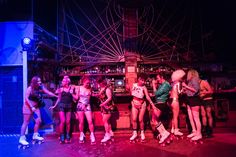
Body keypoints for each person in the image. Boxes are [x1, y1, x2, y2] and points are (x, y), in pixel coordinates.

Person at [19, 76, 57, 147]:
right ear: (34, 82)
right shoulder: (30, 88)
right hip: (28, 107)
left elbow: (48, 92)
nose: (40, 82)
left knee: (38, 121)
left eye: (40, 81)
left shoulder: (41, 87)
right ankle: (22, 138)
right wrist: (31, 106)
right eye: (38, 81)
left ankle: (35, 135)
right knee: (26, 122)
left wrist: (56, 96)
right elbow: (26, 98)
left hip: (36, 107)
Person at [50, 76, 77, 144]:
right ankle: (62, 135)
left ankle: (67, 135)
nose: (62, 82)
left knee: (68, 122)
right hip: (61, 106)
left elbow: (76, 98)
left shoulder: (72, 88)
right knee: (63, 121)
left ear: (67, 82)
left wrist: (72, 93)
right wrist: (54, 106)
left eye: (63, 81)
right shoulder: (60, 89)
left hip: (69, 106)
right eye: (62, 81)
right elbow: (59, 98)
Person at [129, 73, 155, 142]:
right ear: (139, 79)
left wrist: (152, 105)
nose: (144, 82)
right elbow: (131, 94)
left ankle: (142, 133)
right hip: (134, 103)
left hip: (142, 104)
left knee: (140, 120)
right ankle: (134, 133)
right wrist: (128, 89)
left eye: (144, 81)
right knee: (134, 119)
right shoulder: (133, 85)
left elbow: (147, 97)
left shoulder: (144, 87)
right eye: (142, 80)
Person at [151, 72, 172, 144]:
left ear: (162, 77)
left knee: (154, 120)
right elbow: (157, 94)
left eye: (158, 78)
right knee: (155, 120)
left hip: (160, 104)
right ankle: (164, 133)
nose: (157, 80)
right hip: (160, 103)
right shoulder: (163, 84)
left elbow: (156, 93)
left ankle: (164, 133)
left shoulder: (166, 84)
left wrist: (153, 85)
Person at [183, 69, 202, 141]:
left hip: (194, 99)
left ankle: (199, 133)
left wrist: (186, 86)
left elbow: (196, 90)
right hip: (189, 99)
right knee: (191, 117)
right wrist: (186, 90)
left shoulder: (194, 79)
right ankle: (194, 131)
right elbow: (191, 90)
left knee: (196, 117)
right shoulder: (190, 80)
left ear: (191, 73)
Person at [76, 76, 96, 144]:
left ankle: (92, 135)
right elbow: (76, 98)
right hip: (80, 105)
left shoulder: (90, 88)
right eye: (87, 83)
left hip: (87, 106)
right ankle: (81, 134)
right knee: (81, 122)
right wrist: (71, 93)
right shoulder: (79, 88)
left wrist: (96, 95)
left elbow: (90, 97)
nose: (88, 84)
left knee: (90, 121)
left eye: (89, 83)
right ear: (83, 82)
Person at [97, 77, 115, 144]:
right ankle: (111, 134)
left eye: (99, 83)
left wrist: (102, 104)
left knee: (104, 121)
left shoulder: (107, 89)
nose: (99, 84)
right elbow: (101, 96)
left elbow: (109, 98)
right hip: (104, 107)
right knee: (107, 121)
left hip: (108, 107)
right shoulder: (102, 88)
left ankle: (107, 135)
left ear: (102, 82)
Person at [170, 69, 186, 137]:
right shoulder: (179, 83)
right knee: (176, 116)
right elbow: (179, 92)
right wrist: (184, 89)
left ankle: (173, 129)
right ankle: (176, 130)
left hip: (171, 101)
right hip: (175, 100)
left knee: (173, 116)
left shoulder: (173, 84)